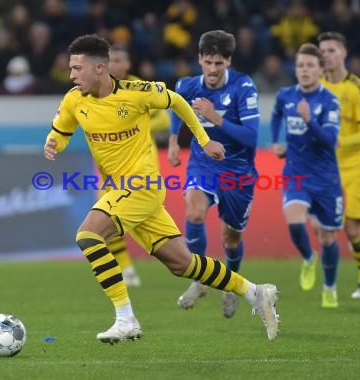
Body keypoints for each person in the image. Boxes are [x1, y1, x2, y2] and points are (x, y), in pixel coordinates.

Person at [44, 34, 280, 343]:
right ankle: (255, 293)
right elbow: (61, 129)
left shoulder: (136, 93)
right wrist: (54, 143)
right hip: (123, 190)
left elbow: (178, 102)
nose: (72, 75)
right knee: (183, 264)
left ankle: (125, 318)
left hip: (141, 185)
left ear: (99, 68)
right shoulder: (75, 100)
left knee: (87, 236)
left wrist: (205, 140)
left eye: (77, 68)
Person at [167, 30, 260, 318]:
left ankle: (230, 285)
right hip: (203, 163)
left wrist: (215, 117)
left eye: (219, 63)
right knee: (193, 213)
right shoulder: (188, 85)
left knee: (231, 239)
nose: (212, 69)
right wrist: (173, 140)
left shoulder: (244, 87)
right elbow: (175, 105)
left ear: (228, 62)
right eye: (208, 62)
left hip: (238, 170)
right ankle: (200, 278)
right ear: (199, 59)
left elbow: (251, 137)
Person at [270, 43, 343, 308]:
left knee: (328, 237)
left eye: (310, 66)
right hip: (296, 173)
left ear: (321, 70)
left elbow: (330, 141)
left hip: (325, 178)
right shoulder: (285, 95)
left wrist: (310, 120)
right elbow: (277, 114)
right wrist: (277, 141)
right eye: (300, 65)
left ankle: (329, 287)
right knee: (295, 223)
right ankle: (308, 258)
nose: (304, 70)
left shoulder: (329, 101)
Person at [102, 45, 171, 287]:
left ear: (127, 64)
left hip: (141, 167)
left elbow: (163, 118)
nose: (112, 65)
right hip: (110, 169)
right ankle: (128, 271)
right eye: (109, 60)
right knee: (105, 223)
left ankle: (184, 263)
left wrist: (135, 125)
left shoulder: (140, 87)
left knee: (130, 222)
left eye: (117, 60)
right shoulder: (98, 92)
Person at [318, 32, 360, 299]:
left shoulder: (356, 88)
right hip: (327, 167)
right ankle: (329, 282)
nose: (326, 55)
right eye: (323, 51)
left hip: (355, 165)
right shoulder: (316, 87)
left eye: (331, 50)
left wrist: (340, 141)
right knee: (323, 228)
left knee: (352, 228)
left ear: (343, 53)